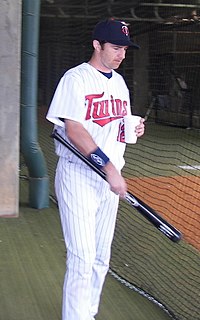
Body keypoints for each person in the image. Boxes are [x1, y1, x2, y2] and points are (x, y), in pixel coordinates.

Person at [46, 18, 145, 320]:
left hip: (108, 182)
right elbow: (74, 129)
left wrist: (134, 128)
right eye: (115, 48)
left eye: (125, 49)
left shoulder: (119, 83)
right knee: (82, 256)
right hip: (79, 175)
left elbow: (117, 125)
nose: (121, 55)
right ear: (97, 45)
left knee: (101, 257)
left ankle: (87, 313)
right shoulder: (75, 79)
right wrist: (109, 167)